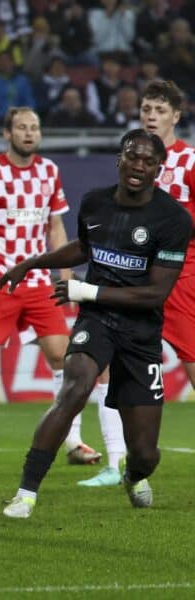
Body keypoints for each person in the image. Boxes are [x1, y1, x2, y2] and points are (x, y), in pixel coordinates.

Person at [0, 129, 192, 518]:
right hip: (98, 322)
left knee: (145, 452)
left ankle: (134, 476)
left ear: (159, 168)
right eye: (132, 157)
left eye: (148, 161)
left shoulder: (173, 219)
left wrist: (85, 292)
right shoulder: (94, 203)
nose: (138, 166)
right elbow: (85, 248)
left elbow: (155, 295)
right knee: (75, 387)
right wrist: (33, 262)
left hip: (140, 333)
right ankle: (26, 493)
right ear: (119, 158)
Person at [0, 106, 103, 469]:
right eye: (21, 127)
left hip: (38, 281)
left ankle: (73, 442)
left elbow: (56, 226)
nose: (28, 133)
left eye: (34, 128)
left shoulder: (50, 171)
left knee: (64, 357)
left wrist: (65, 276)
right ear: (7, 133)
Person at [140, 80, 195, 390]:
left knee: (191, 354)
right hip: (135, 272)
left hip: (180, 273)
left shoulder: (189, 160)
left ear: (175, 117)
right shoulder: (133, 159)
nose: (151, 115)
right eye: (146, 109)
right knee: (109, 355)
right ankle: (120, 439)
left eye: (160, 110)